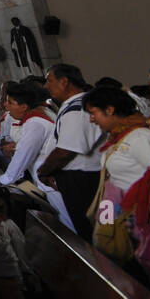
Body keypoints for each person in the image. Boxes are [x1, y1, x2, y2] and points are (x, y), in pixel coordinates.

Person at [0, 82, 75, 233]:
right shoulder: (32, 121)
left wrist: (1, 181)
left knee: (68, 226)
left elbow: (22, 157)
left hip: (52, 182)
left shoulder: (35, 124)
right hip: (47, 180)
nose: (6, 106)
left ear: (24, 106)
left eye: (10, 102)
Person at [37, 64, 103, 238]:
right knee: (96, 228)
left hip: (85, 181)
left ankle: (107, 263)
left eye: (49, 81)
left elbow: (65, 151)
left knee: (95, 230)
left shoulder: (78, 108)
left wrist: (44, 171)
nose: (46, 86)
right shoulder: (77, 104)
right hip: (84, 179)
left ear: (64, 81)